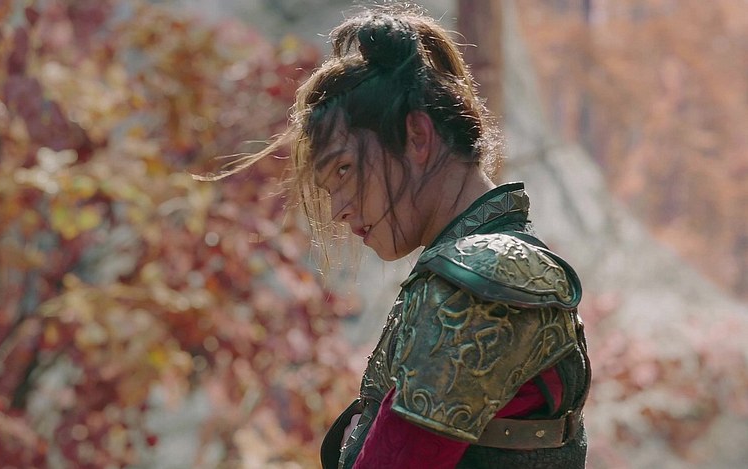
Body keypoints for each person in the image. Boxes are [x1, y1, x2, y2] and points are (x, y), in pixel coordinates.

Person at [202, 5, 590, 468]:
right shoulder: (479, 266)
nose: (339, 209)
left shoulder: (480, 280)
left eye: (344, 169)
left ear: (417, 136)